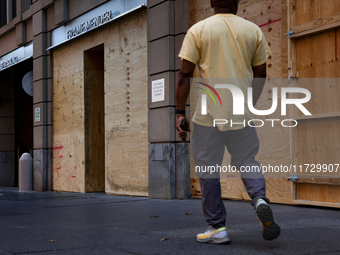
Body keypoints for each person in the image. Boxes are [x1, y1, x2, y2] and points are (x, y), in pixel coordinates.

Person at [175, 0, 281, 244]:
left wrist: (180, 112)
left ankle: (217, 228)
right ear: (237, 2)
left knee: (208, 168)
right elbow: (261, 74)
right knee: (247, 160)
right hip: (240, 111)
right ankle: (259, 199)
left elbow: (184, 74)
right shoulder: (252, 30)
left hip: (207, 115)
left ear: (212, 2)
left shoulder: (198, 30)